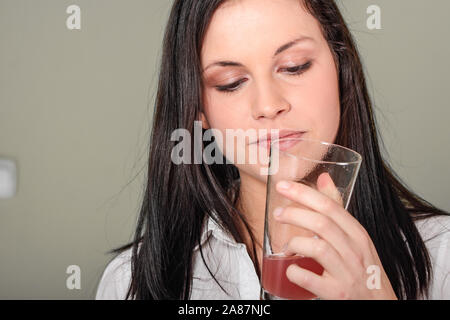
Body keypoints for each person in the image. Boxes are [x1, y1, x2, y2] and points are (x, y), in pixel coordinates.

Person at [95, 0, 450, 300]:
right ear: (198, 110)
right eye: (230, 83)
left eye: (295, 67)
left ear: (341, 66)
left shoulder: (442, 254)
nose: (267, 105)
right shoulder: (129, 282)